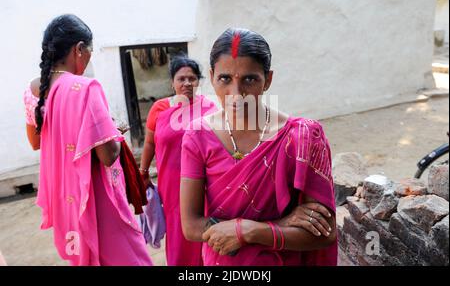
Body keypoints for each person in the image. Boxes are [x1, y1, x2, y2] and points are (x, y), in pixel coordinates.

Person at [180, 28, 337, 266]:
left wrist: (249, 231)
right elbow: (191, 226)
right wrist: (280, 225)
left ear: (268, 79)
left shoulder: (303, 137)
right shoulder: (197, 136)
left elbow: (325, 233)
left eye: (249, 79)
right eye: (225, 79)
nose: (236, 93)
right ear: (212, 77)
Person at [23, 14, 152, 266]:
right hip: (95, 196)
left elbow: (36, 142)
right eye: (89, 51)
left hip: (66, 199)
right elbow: (108, 155)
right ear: (79, 49)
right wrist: (113, 131)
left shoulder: (34, 90)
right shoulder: (86, 88)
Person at [139, 55, 216, 266]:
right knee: (178, 230)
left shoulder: (209, 109)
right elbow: (149, 144)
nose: (187, 83)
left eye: (192, 78)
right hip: (171, 184)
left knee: (204, 228)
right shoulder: (160, 109)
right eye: (181, 78)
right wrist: (143, 172)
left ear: (198, 81)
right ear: (172, 82)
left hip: (204, 182)